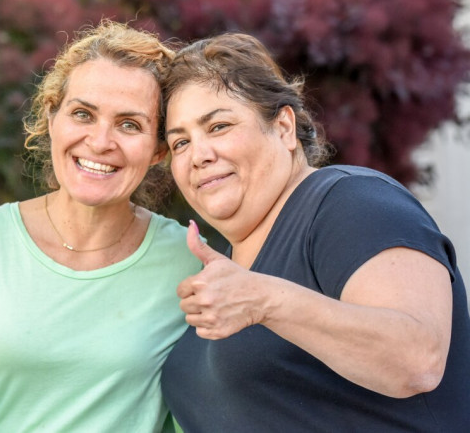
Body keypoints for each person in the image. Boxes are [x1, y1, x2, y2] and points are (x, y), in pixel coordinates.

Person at [0, 20, 203, 433]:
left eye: (129, 124)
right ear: (51, 117)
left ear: (158, 149)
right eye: (83, 114)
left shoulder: (188, 260)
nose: (100, 141)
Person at [160, 32, 470, 432]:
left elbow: (416, 359)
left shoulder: (349, 201)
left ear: (285, 127)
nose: (199, 155)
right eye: (180, 142)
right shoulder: (223, 269)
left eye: (218, 126)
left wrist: (265, 300)